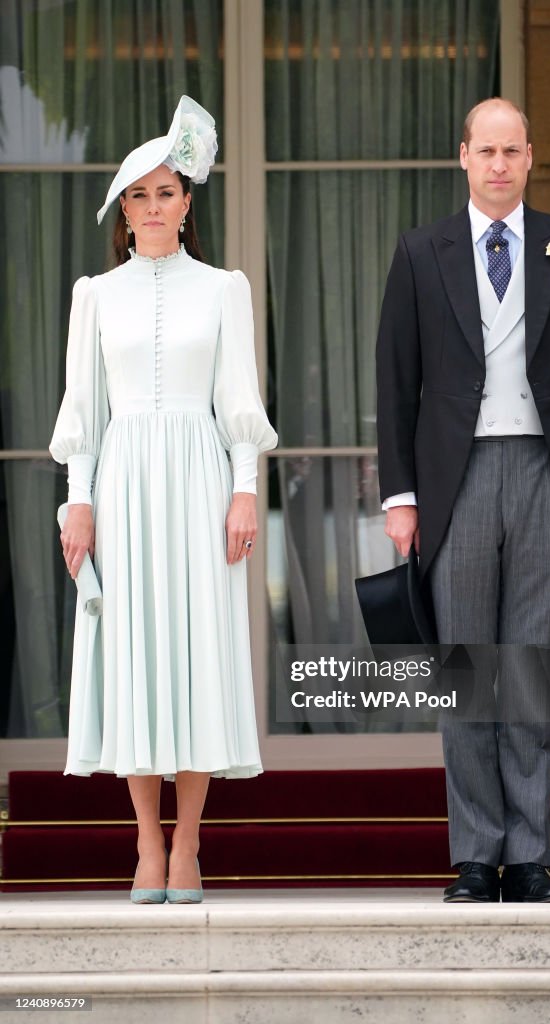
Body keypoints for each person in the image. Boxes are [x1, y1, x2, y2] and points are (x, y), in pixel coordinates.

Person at [376, 98, 550, 903]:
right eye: (486, 151)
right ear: (463, 156)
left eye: (512, 150)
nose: (499, 165)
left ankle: (529, 857)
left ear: (530, 155)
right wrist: (401, 496)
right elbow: (396, 383)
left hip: (546, 477)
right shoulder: (421, 252)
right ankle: (477, 856)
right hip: (458, 478)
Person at [50, 96, 277, 904]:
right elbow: (84, 409)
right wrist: (78, 502)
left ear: (188, 203)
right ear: (124, 209)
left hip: (199, 482)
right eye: (139, 195)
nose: (154, 207)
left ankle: (190, 846)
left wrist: (245, 489)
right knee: (136, 658)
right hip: (121, 485)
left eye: (167, 192)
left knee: (198, 656)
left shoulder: (224, 288)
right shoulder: (94, 294)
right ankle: (147, 844)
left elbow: (238, 400)